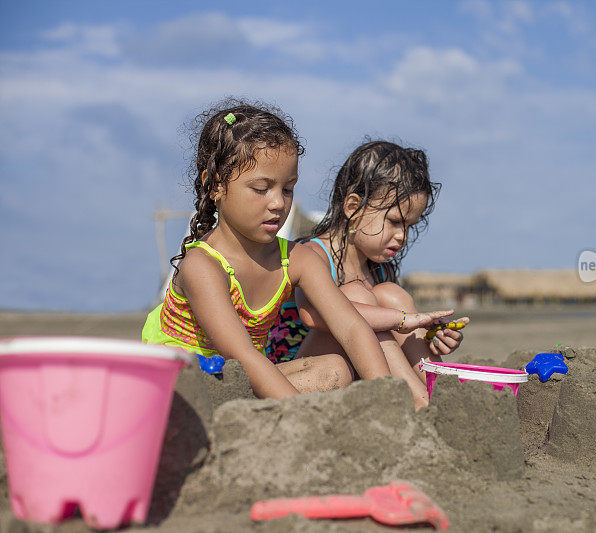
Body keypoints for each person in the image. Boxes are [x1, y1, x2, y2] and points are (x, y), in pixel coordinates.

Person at [142, 100, 397, 400]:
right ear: (214, 186)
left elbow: (352, 327)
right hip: (181, 386)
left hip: (241, 383)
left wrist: (388, 399)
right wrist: (295, 414)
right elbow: (242, 356)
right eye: (262, 189)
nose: (278, 203)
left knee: (335, 370)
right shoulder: (202, 266)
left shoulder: (298, 259)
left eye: (287, 189)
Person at [266, 140, 469, 408]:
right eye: (395, 221)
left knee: (392, 295)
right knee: (356, 297)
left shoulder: (378, 267)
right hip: (303, 370)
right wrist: (404, 320)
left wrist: (430, 338)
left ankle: (438, 389)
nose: (402, 236)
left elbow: (393, 334)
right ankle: (420, 403)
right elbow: (311, 315)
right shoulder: (313, 254)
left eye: (409, 226)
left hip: (360, 371)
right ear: (353, 207)